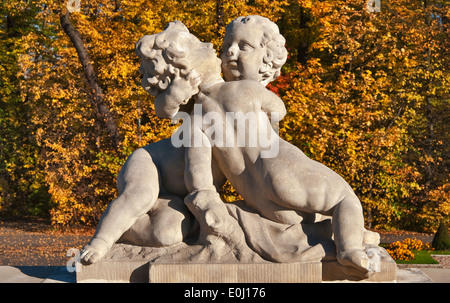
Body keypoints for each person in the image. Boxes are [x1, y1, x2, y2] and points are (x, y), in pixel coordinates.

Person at [139, 20, 372, 278]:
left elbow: (197, 168)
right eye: (227, 46)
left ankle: (342, 235)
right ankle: (349, 249)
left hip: (256, 199)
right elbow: (277, 110)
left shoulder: (196, 117)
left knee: (302, 220)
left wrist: (203, 195)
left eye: (243, 47)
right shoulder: (248, 89)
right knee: (344, 199)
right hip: (281, 170)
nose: (229, 52)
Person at [80, 16, 288, 264]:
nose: (212, 46)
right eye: (201, 46)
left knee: (167, 233)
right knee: (140, 197)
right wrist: (177, 93)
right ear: (186, 64)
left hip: (179, 196)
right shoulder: (195, 90)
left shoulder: (236, 97)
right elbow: (163, 109)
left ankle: (127, 225)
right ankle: (102, 240)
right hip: (152, 164)